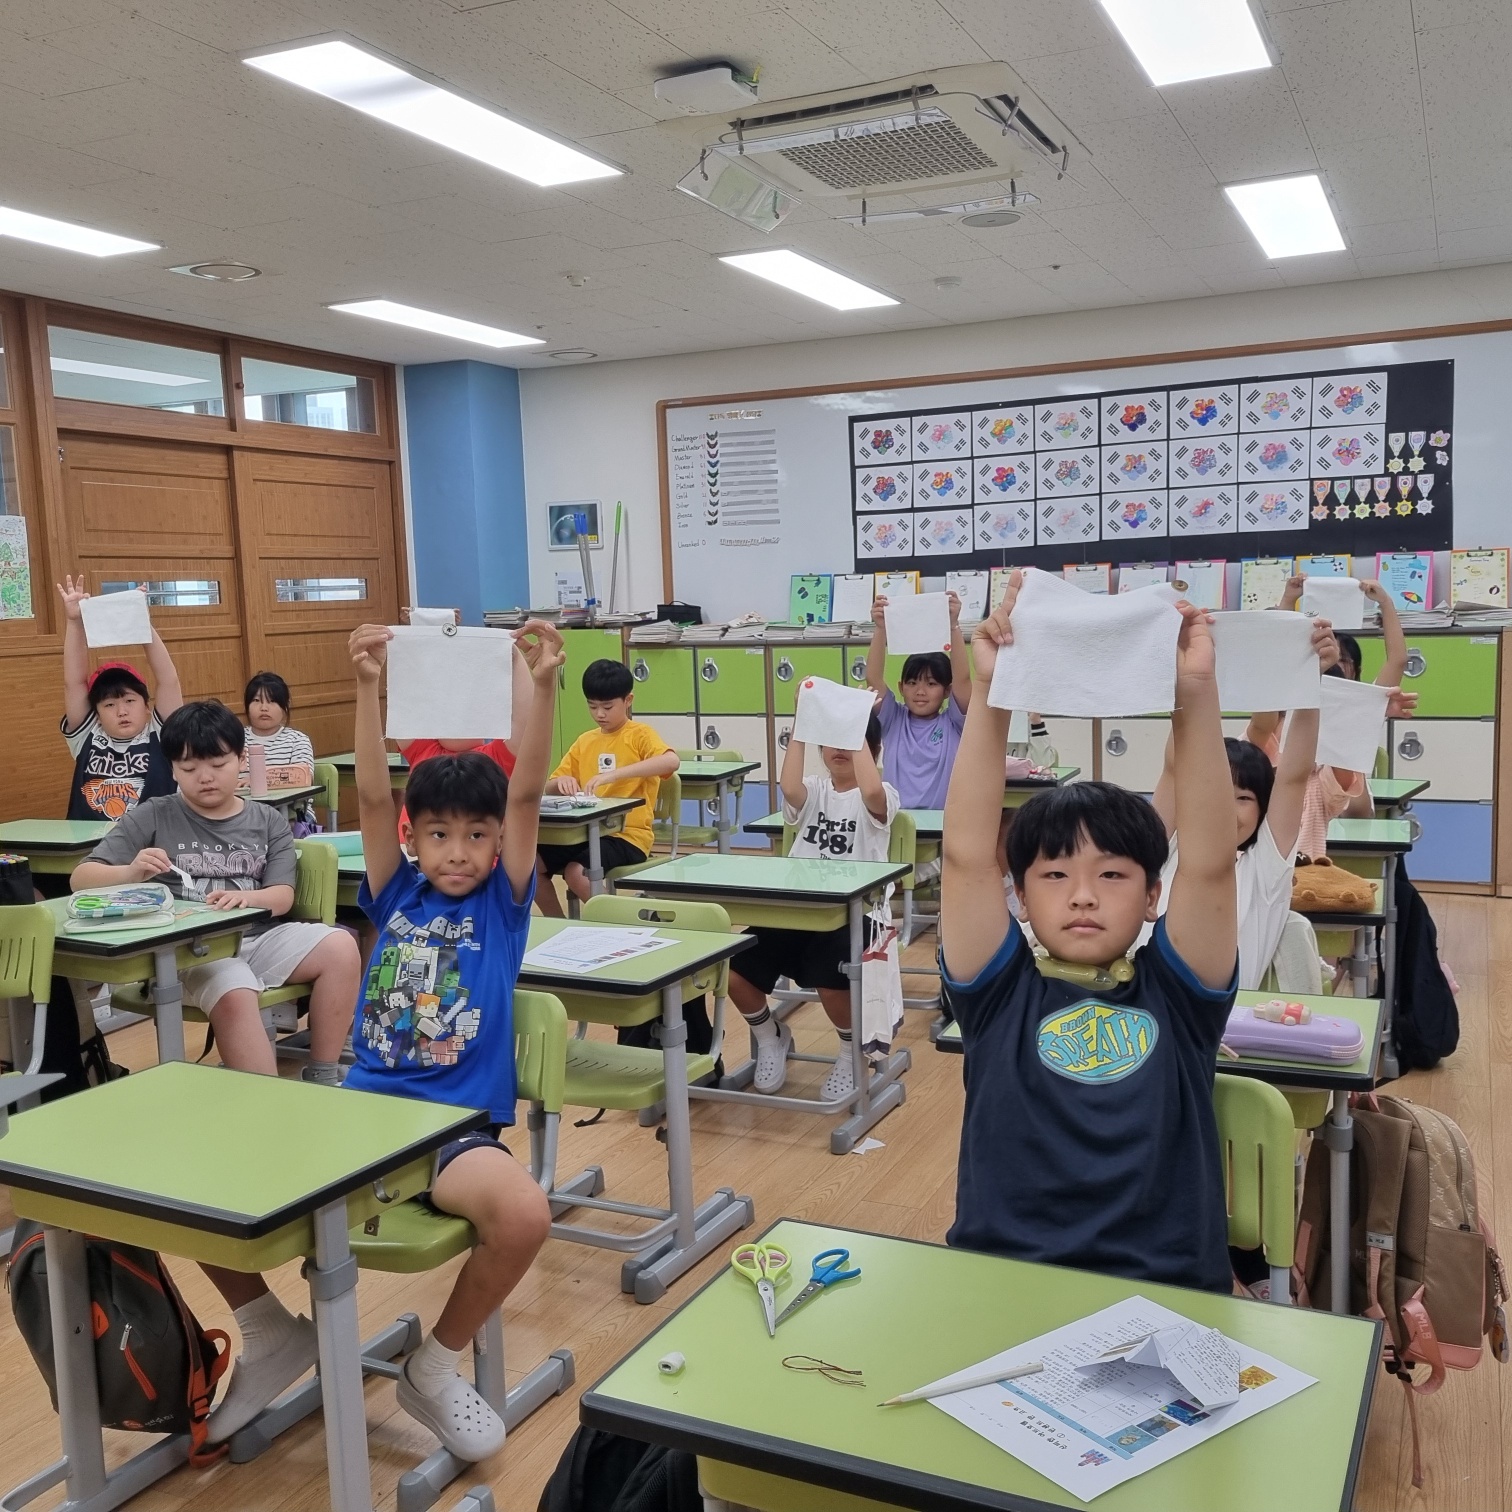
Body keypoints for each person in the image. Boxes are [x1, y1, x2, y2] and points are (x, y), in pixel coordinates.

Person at [70, 699, 364, 1440]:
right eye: (189, 764)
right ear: (173, 769)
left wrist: (250, 896)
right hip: (199, 950)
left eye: (217, 761)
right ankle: (265, 1126)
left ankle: (323, 1079)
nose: (204, 775)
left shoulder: (265, 820)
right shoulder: (153, 815)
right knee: (233, 992)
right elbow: (79, 877)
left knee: (338, 945)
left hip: (255, 930)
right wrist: (130, 869)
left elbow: (285, 895)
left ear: (241, 761)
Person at [941, 570, 1238, 1293]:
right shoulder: (997, 996)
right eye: (1053, 875)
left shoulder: (1180, 997)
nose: (1082, 895)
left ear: (1153, 895)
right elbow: (965, 856)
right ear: (1018, 894)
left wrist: (1194, 694)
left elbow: (1210, 864)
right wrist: (993, 691)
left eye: (1112, 875)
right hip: (1003, 1280)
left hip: (1168, 1289)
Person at [341, 618, 561, 1462]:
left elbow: (528, 791)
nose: (458, 852)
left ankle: (433, 1364)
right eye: (439, 834)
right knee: (205, 1187)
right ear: (413, 836)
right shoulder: (397, 894)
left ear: (500, 841)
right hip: (361, 1116)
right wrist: (367, 687)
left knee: (524, 1213)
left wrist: (543, 686)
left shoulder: (503, 907)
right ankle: (270, 1333)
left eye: (476, 835)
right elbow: (371, 797)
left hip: (450, 1133)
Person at [1151, 618, 1334, 991]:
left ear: (1262, 809)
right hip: (1141, 1010)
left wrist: (1308, 681)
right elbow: (1175, 767)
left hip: (1220, 1021)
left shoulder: (1265, 870)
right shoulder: (1164, 851)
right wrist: (1191, 675)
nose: (1224, 809)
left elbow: (1294, 776)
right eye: (1215, 794)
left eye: (1243, 798)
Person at [728, 711, 898, 1100]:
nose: (841, 749)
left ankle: (850, 1051)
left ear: (872, 750)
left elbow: (872, 794)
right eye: (833, 741)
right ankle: (769, 1036)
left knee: (829, 976)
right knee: (734, 968)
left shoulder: (883, 794)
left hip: (857, 916)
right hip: (800, 913)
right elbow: (789, 786)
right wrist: (804, 721)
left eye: (852, 742)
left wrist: (855, 720)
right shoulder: (815, 790)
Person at [538, 659, 678, 914]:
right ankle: (558, 922)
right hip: (584, 833)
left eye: (607, 707)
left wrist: (613, 775)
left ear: (628, 700)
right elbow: (550, 786)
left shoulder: (640, 734)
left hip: (628, 836)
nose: (599, 714)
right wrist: (561, 783)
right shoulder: (585, 741)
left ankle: (617, 923)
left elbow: (671, 761)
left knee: (577, 872)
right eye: (592, 706)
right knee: (528, 864)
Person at [57, 576, 182, 821]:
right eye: (109, 704)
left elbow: (169, 680)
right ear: (97, 713)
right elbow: (74, 683)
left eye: (129, 701)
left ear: (147, 706)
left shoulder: (161, 734)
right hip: (93, 841)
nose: (121, 711)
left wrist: (141, 621)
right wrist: (74, 622)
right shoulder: (87, 736)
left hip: (152, 838)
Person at [865, 591, 971, 811]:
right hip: (897, 823)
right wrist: (880, 629)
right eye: (912, 683)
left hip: (941, 824)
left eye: (931, 684)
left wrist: (953, 626)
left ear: (947, 690)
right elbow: (873, 678)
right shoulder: (894, 720)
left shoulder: (953, 723)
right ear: (901, 687)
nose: (920, 691)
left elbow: (962, 679)